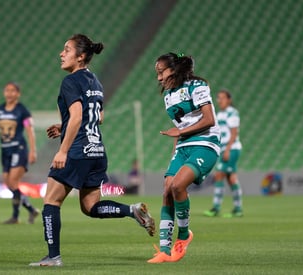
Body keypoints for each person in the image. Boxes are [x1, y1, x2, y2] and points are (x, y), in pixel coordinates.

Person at [29, 34, 155, 267]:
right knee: (91, 207)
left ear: (81, 56)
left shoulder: (71, 81)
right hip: (97, 151)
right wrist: (64, 126)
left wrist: (62, 151)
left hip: (76, 151)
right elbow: (99, 117)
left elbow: (77, 115)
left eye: (67, 49)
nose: (61, 53)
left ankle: (53, 257)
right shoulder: (95, 81)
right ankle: (132, 210)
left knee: (51, 202)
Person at [147, 53, 220, 264]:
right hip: (183, 146)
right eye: (157, 74)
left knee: (178, 186)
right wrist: (174, 155)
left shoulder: (196, 86)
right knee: (168, 188)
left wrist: (179, 132)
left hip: (205, 144)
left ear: (174, 70)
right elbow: (180, 129)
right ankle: (164, 251)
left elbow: (209, 119)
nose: (159, 78)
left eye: (161, 72)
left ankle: (184, 235)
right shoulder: (168, 94)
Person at [0, 82, 39, 224]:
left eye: (13, 91)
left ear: (18, 94)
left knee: (13, 181)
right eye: (7, 90)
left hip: (18, 149)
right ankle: (31, 210)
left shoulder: (22, 111)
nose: (9, 93)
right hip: (5, 150)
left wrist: (33, 150)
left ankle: (15, 216)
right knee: (9, 184)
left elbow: (29, 131)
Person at [204, 90, 243, 218]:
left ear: (229, 100)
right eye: (218, 98)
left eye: (222, 98)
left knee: (219, 175)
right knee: (231, 178)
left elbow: (234, 133)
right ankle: (238, 208)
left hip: (231, 149)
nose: (219, 100)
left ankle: (216, 207)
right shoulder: (220, 114)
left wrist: (227, 149)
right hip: (225, 148)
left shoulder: (232, 113)